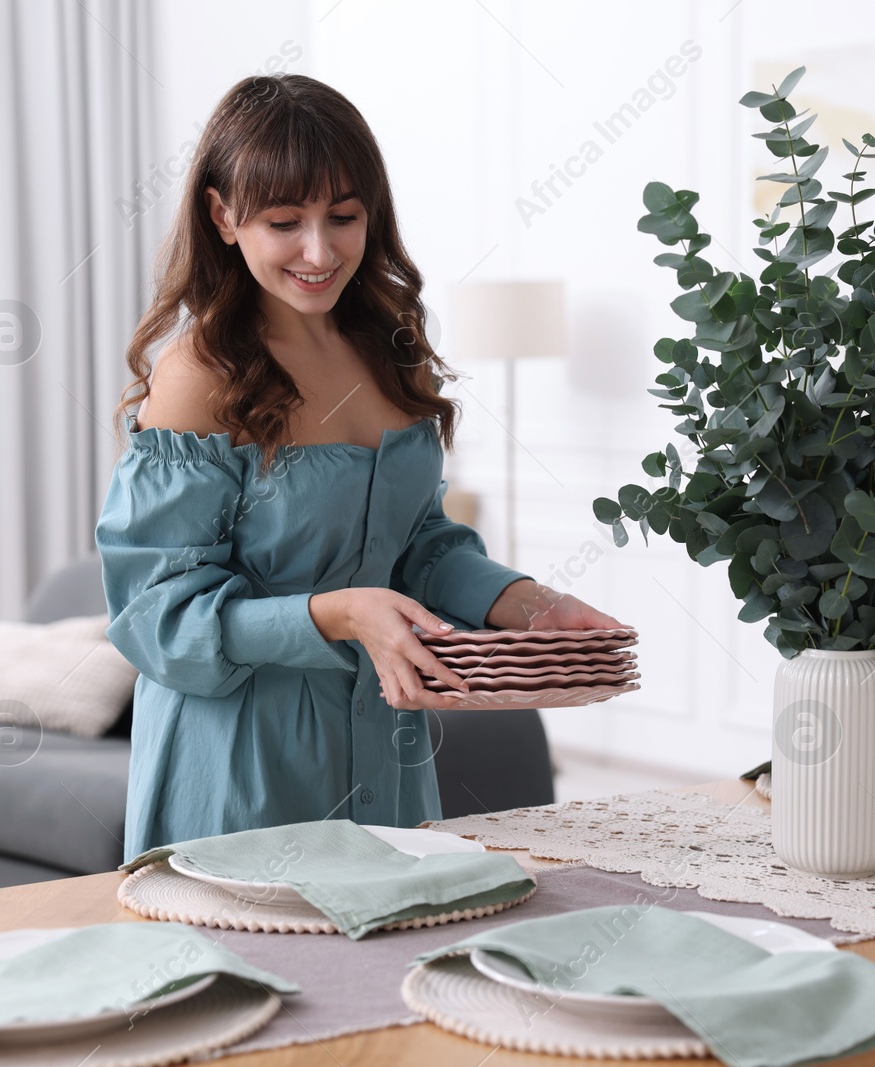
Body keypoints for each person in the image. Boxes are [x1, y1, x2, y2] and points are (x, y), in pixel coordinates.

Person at [96, 74, 621, 860]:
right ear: (223, 215)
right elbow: (154, 616)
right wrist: (335, 615)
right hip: (241, 763)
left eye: (343, 217)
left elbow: (421, 548)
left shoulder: (391, 345)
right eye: (285, 221)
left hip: (387, 744)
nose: (321, 250)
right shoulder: (200, 373)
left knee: (392, 974)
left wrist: (532, 605)